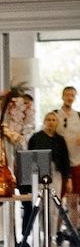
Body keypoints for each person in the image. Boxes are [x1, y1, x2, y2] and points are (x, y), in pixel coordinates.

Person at [22, 110, 71, 238]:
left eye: (53, 120)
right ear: (44, 121)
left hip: (56, 175)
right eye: (48, 119)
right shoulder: (36, 138)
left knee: (54, 208)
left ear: (57, 123)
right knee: (39, 207)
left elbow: (65, 160)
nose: (51, 122)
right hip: (38, 176)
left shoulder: (60, 140)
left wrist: (68, 178)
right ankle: (40, 237)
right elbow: (29, 157)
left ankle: (52, 237)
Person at [55, 86, 80, 226]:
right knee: (57, 199)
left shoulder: (79, 116)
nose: (69, 98)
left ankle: (74, 232)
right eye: (67, 95)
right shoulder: (55, 115)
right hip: (60, 165)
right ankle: (56, 232)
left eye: (72, 95)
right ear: (62, 96)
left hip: (76, 162)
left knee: (74, 201)